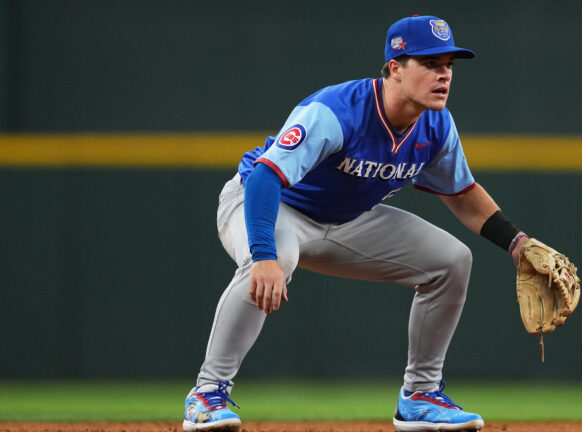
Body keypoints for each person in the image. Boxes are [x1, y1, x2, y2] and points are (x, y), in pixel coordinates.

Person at [182, 15, 530, 432]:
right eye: (430, 63)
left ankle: (420, 396)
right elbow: (265, 176)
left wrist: (518, 244)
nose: (443, 75)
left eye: (449, 65)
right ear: (395, 69)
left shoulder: (436, 125)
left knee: (452, 260)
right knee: (280, 255)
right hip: (265, 203)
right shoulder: (335, 111)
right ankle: (207, 393)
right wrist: (263, 254)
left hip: (345, 220)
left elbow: (463, 195)